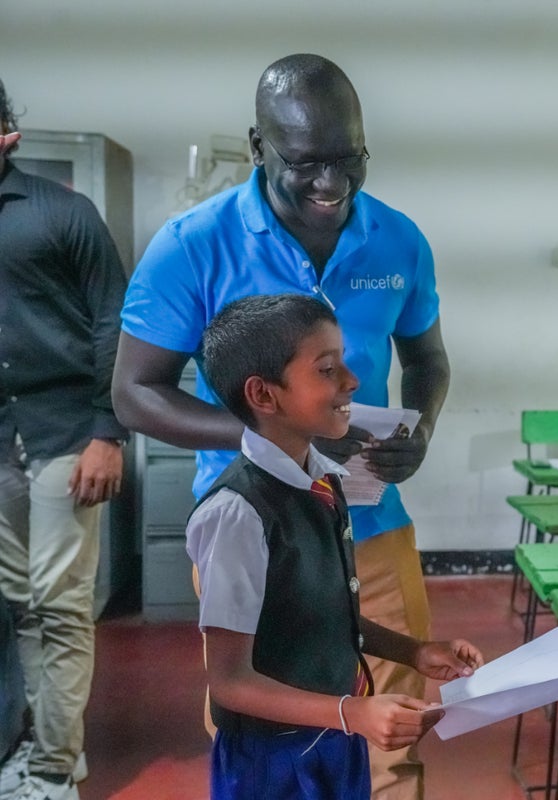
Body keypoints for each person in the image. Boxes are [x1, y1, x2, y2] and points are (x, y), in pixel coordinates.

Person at [113, 54, 449, 799]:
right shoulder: (193, 244)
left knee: (394, 737)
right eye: (304, 163)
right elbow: (135, 393)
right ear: (259, 147)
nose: (330, 184)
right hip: (258, 525)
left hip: (369, 517)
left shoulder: (398, 239)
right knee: (269, 736)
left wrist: (417, 430)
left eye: (347, 160)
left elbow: (428, 360)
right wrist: (267, 445)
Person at [189, 293, 481, 800]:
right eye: (327, 369)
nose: (352, 380)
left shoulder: (323, 480)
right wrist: (353, 711)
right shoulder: (236, 514)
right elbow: (231, 680)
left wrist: (413, 651)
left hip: (334, 739)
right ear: (263, 395)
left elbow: (325, 617)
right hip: (271, 761)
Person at [0, 78, 128, 800]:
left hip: (66, 438)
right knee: (22, 602)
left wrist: (107, 433)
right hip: (0, 443)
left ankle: (50, 771)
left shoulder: (62, 214)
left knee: (61, 603)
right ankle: (50, 747)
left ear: (6, 134)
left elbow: (114, 323)